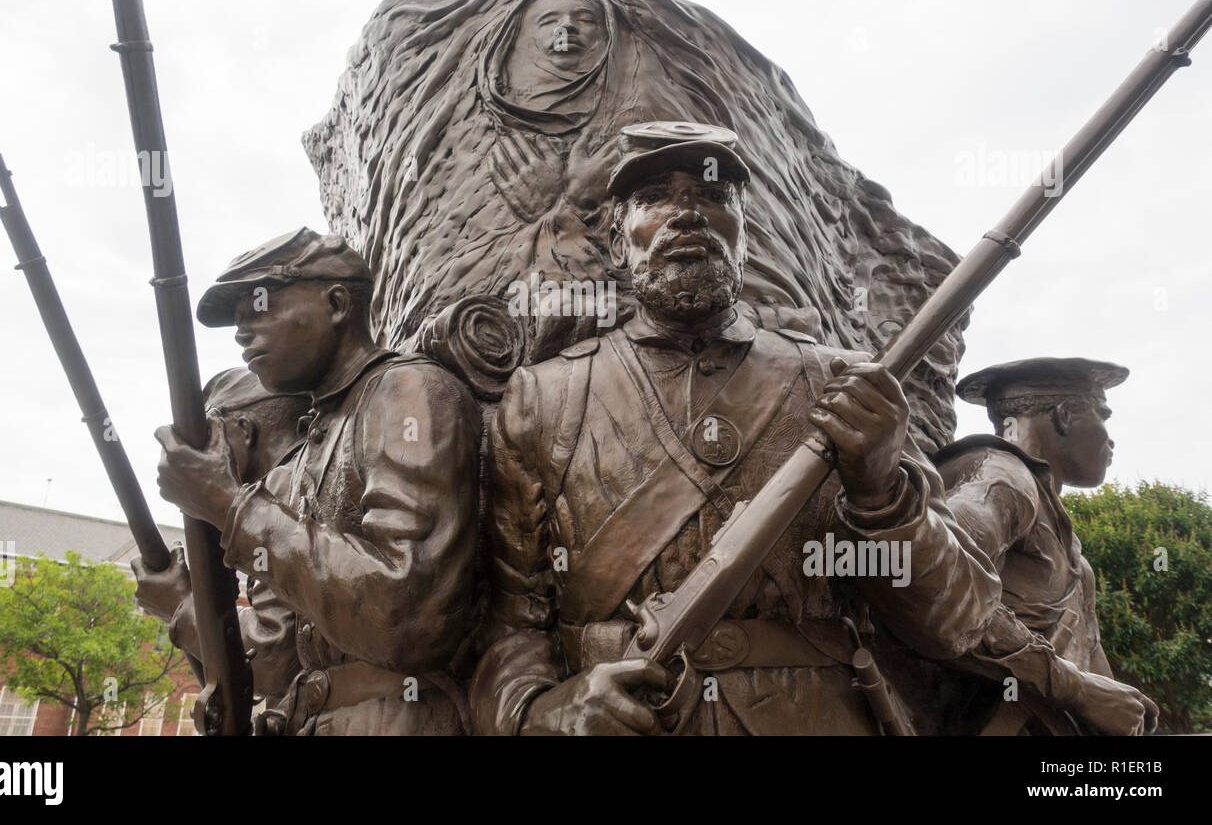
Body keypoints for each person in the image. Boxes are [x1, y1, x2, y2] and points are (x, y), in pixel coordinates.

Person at [470, 121, 1001, 735]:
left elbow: (954, 623)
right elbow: (512, 627)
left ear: (744, 235)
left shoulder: (846, 383)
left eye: (714, 197)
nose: (688, 215)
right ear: (618, 242)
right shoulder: (542, 399)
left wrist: (883, 496)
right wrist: (542, 712)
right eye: (655, 198)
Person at [154, 228, 482, 735]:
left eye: (260, 306)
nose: (242, 332)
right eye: (238, 320)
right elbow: (280, 660)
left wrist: (225, 504)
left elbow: (408, 614)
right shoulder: (309, 453)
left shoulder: (407, 391)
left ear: (335, 304)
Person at [934, 357, 1158, 735]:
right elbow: (938, 581)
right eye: (1104, 415)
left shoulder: (1073, 553)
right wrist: (1074, 687)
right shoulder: (1001, 479)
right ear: (1067, 415)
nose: (1110, 437)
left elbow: (1096, 672)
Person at [132, 367, 309, 709]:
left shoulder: (285, 489)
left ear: (243, 430)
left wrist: (181, 606)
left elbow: (274, 657)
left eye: (210, 434)